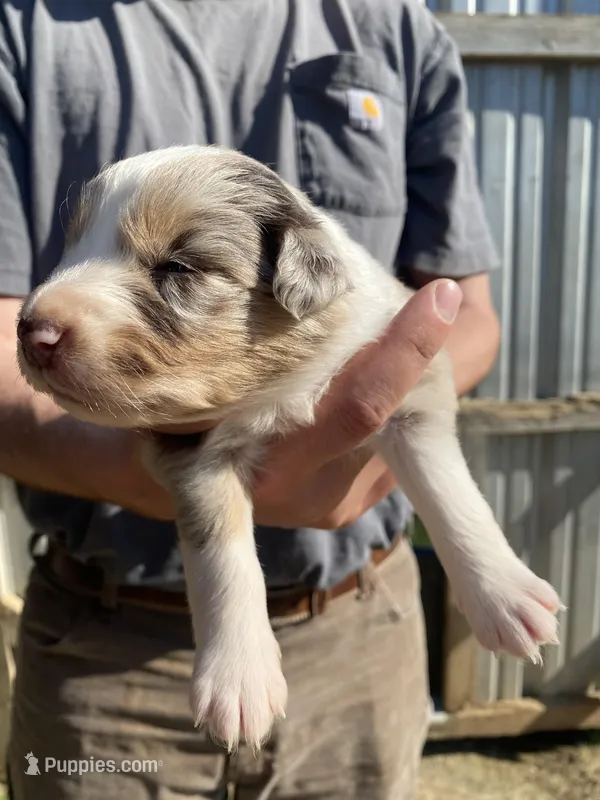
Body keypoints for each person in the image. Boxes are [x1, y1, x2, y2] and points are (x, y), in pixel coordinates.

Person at [0, 1, 501, 798]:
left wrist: (385, 419)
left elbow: (467, 317)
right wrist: (190, 467)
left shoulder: (394, 27)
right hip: (104, 653)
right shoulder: (22, 30)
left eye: (175, 270)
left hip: (360, 628)